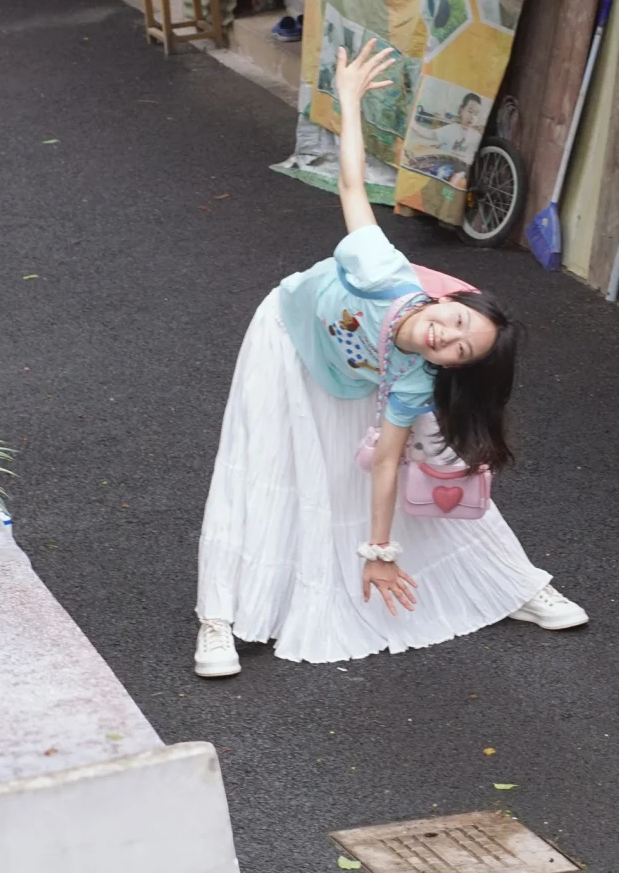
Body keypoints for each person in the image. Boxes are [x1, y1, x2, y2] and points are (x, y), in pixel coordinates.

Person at [194, 38, 588, 676]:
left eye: (461, 350)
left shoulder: (415, 375)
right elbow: (352, 184)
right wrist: (347, 101)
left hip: (359, 376)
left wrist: (377, 549)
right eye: (455, 320)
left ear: (454, 368)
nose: (446, 336)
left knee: (426, 466)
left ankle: (511, 584)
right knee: (257, 462)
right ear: (448, 299)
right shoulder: (386, 274)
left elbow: (384, 463)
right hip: (285, 337)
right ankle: (218, 621)